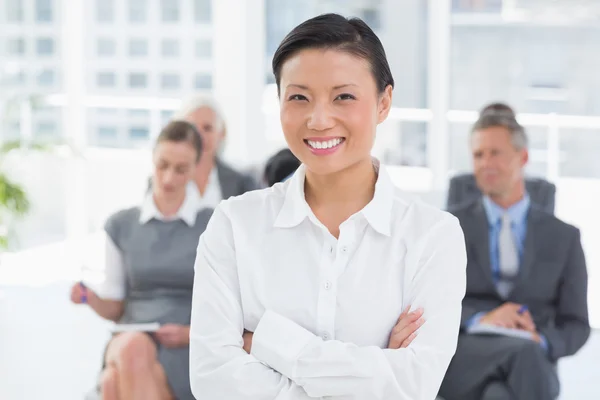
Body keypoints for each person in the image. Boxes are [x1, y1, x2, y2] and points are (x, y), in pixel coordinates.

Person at [189, 13, 467, 400]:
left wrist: (270, 342)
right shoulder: (234, 226)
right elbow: (213, 380)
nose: (318, 120)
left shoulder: (433, 237)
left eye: (343, 96)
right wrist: (372, 371)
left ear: (384, 102)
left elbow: (414, 384)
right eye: (299, 97)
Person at [439, 107, 590, 400]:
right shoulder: (449, 227)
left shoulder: (564, 236)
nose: (486, 164)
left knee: (500, 394)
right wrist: (482, 318)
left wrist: (543, 340)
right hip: (468, 354)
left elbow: (577, 324)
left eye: (496, 153)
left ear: (523, 158)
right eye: (479, 155)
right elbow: (430, 302)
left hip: (530, 357)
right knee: (525, 356)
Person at [71, 121, 213, 400]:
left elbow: (230, 306)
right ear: (152, 160)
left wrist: (189, 334)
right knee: (132, 348)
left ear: (197, 167)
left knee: (112, 382)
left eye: (181, 169)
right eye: (163, 165)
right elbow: (115, 307)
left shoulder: (213, 224)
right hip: (130, 336)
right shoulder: (121, 225)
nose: (169, 178)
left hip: (187, 343)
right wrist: (89, 297)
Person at [173, 95, 258, 207]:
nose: (199, 136)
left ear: (221, 133)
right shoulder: (164, 181)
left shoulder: (242, 182)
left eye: (207, 128)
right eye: (193, 128)